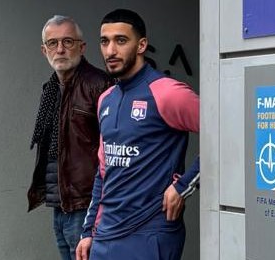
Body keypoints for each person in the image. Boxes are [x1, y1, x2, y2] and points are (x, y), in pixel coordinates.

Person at [76, 9, 200, 260]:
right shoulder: (105, 100)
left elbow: (224, 133)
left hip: (149, 233)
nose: (110, 51)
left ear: (142, 44)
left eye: (121, 40)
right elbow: (104, 171)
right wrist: (88, 231)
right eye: (104, 41)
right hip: (105, 236)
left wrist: (183, 185)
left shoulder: (167, 92)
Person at [27, 15, 111, 260]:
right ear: (44, 51)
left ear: (82, 47)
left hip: (87, 204)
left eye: (68, 41)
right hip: (60, 202)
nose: (60, 49)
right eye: (53, 43)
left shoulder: (100, 85)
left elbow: (114, 149)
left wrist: (100, 208)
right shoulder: (51, 88)